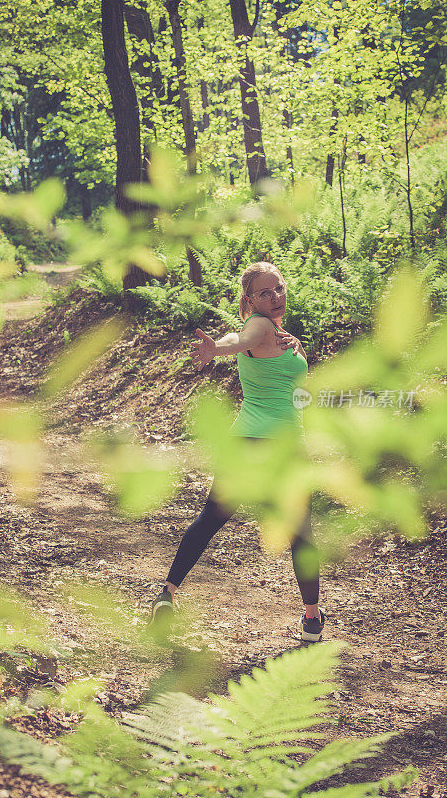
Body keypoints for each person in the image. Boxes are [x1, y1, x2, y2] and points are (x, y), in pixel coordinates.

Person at [149, 262, 324, 642]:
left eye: (278, 288)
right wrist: (217, 348)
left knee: (211, 518)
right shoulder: (259, 326)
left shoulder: (277, 333)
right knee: (300, 532)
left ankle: (167, 593)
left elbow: (288, 388)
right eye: (264, 292)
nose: (275, 297)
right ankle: (312, 618)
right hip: (282, 448)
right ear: (250, 300)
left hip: (245, 442)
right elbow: (238, 340)